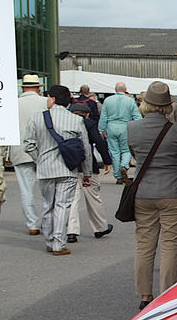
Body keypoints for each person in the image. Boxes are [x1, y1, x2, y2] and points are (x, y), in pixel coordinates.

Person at [126, 81, 177, 308]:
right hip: (175, 192)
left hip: (144, 192)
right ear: (168, 105)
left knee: (145, 244)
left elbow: (135, 156)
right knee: (170, 245)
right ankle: (167, 296)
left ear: (145, 104)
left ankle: (144, 295)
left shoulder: (132, 128)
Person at [22, 85, 89, 255]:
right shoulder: (76, 120)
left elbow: (28, 145)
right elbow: (85, 148)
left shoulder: (36, 118)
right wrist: (87, 172)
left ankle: (50, 240)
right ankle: (59, 243)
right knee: (62, 205)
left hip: (45, 168)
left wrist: (39, 159)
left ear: (52, 99)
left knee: (47, 204)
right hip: (68, 169)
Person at [64, 98, 114, 243]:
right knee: (93, 197)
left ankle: (71, 231)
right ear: (87, 115)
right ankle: (100, 227)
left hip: (69, 164)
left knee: (72, 199)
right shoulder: (89, 123)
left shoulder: (65, 123)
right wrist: (106, 161)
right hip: (87, 165)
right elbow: (99, 142)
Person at [12, 74, 47, 233]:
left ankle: (32, 224)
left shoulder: (14, 103)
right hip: (43, 149)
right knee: (46, 190)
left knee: (26, 190)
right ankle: (47, 222)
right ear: (38, 88)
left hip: (20, 148)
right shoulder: (45, 102)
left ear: (23, 88)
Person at [100, 81, 140, 182]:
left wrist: (101, 129)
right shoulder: (130, 101)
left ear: (115, 89)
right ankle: (124, 165)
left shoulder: (108, 100)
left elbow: (104, 116)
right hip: (125, 126)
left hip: (111, 126)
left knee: (114, 151)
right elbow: (137, 116)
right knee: (126, 150)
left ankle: (118, 175)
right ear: (125, 90)